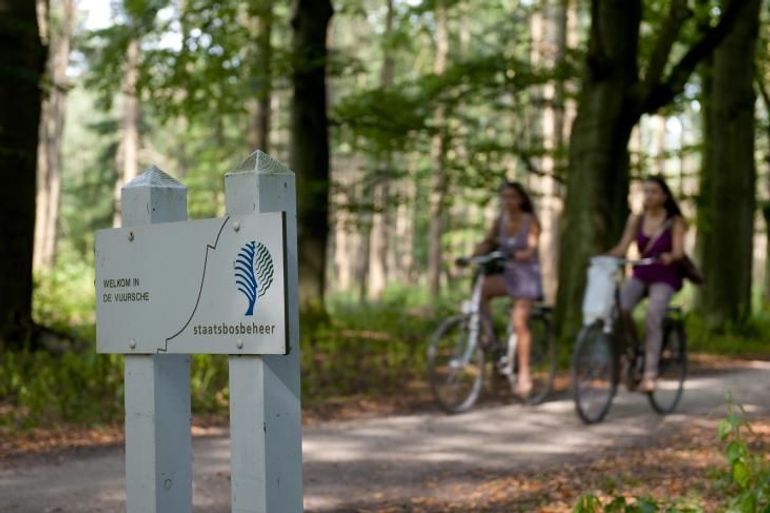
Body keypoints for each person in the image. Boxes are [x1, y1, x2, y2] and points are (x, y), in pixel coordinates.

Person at [608, 175, 686, 393]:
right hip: (641, 272)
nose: (649, 196)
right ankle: (632, 350)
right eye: (646, 191)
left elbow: (679, 251)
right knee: (621, 308)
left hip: (665, 275)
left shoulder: (674, 221)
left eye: (653, 192)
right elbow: (622, 247)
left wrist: (670, 256)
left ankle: (650, 374)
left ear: (664, 196)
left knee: (653, 315)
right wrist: (605, 258)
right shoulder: (636, 219)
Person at [471, 181, 543, 398]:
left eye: (512, 197)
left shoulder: (531, 221)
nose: (508, 201)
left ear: (521, 199)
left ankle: (524, 374)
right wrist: (474, 255)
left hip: (526, 276)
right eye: (504, 197)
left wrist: (524, 253)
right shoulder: (499, 221)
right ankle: (489, 335)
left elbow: (531, 246)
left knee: (519, 323)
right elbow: (487, 242)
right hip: (507, 274)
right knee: (480, 288)